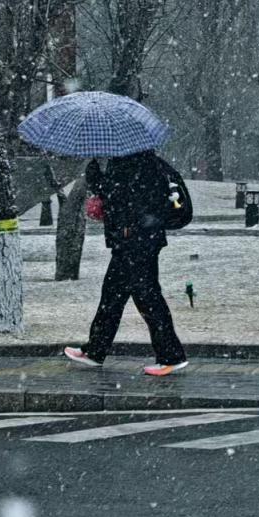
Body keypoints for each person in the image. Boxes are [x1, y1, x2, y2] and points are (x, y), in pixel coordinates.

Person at [63, 151, 188, 376]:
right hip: (135, 240)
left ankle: (171, 356)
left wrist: (95, 178)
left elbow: (120, 197)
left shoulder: (135, 163)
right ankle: (95, 350)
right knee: (112, 295)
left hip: (136, 241)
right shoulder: (142, 161)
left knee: (147, 297)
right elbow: (119, 196)